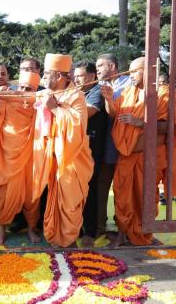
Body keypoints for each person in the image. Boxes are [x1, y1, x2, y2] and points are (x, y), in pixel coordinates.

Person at [101, 57, 168, 247]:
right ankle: (122, 234)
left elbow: (166, 126)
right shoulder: (128, 92)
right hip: (126, 155)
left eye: (133, 72)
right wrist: (108, 99)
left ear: (147, 72)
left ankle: (143, 235)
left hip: (149, 157)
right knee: (122, 197)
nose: (130, 76)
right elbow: (115, 113)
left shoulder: (163, 94)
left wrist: (140, 123)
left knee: (146, 197)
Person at [33, 53, 93, 248]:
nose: (43, 77)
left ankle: (68, 240)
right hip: (53, 157)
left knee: (70, 202)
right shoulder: (45, 94)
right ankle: (56, 236)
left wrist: (56, 109)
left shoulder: (77, 96)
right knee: (54, 198)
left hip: (72, 159)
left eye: (47, 73)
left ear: (59, 76)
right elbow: (24, 98)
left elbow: (77, 126)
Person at [0, 71, 41, 245]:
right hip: (5, 155)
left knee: (31, 198)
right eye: (22, 87)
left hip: (28, 155)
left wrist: (10, 94)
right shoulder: (5, 102)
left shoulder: (38, 104)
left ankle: (31, 229)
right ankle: (1, 231)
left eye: (29, 88)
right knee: (2, 195)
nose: (25, 91)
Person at [95, 53, 131, 236]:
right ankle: (100, 227)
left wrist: (110, 99)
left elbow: (122, 112)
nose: (98, 69)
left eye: (101, 65)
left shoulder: (129, 83)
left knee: (123, 189)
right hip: (105, 145)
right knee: (102, 188)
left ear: (112, 66)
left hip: (126, 145)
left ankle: (122, 228)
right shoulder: (97, 85)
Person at [73, 61, 108, 247]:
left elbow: (87, 112)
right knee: (74, 191)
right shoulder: (77, 92)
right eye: (75, 75)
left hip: (92, 150)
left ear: (92, 76)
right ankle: (75, 228)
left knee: (90, 191)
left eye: (80, 75)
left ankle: (90, 231)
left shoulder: (97, 92)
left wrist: (61, 107)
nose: (76, 79)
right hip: (75, 149)